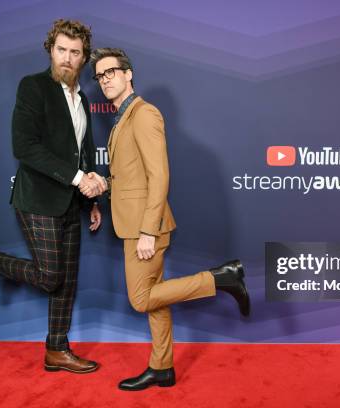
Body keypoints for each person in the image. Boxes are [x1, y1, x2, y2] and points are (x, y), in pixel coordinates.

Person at [90, 47, 250, 391]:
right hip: (131, 221)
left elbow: (159, 175)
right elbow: (130, 177)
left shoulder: (145, 114)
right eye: (100, 76)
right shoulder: (122, 118)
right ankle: (162, 368)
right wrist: (105, 187)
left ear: (128, 73)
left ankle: (221, 279)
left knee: (141, 298)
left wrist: (148, 229)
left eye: (111, 72)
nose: (105, 80)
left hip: (145, 226)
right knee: (155, 297)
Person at [0, 19, 108, 374]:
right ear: (50, 50)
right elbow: (24, 146)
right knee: (50, 276)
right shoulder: (33, 87)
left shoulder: (82, 98)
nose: (67, 59)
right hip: (38, 198)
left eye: (75, 52)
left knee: (67, 281)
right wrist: (77, 179)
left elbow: (84, 152)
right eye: (61, 51)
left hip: (72, 201)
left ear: (83, 58)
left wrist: (91, 201)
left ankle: (57, 350)